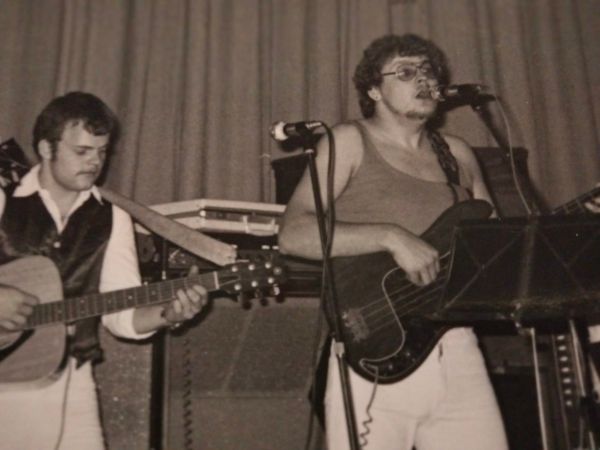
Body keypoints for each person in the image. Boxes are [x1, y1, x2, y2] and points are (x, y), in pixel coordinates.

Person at [278, 34, 508, 449]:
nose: (423, 79)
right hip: (377, 347)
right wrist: (390, 236)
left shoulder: (458, 153)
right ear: (374, 90)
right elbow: (293, 234)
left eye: (428, 71)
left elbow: (497, 247)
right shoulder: (349, 140)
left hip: (458, 347)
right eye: (405, 71)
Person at [0, 92, 231, 449]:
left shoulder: (112, 217)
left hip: (74, 378)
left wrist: (169, 314)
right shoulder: (4, 198)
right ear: (46, 148)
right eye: (82, 151)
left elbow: (122, 316)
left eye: (102, 151)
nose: (95, 162)